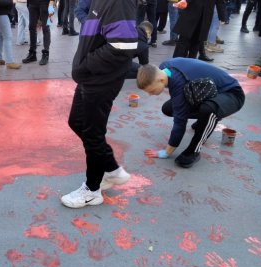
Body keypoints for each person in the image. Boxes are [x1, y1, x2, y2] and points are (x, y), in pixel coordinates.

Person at [60, 0, 137, 209]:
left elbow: (124, 46)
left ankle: (92, 190)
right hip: (90, 76)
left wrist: (86, 65)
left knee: (93, 135)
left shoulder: (118, 3)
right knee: (76, 122)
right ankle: (112, 169)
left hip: (101, 79)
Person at [137, 58, 245, 168]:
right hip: (209, 89)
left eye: (151, 91)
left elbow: (180, 123)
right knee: (169, 108)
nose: (150, 94)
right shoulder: (164, 68)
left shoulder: (179, 84)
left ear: (160, 80)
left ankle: (194, 151)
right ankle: (205, 119)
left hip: (232, 94)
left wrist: (166, 152)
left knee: (208, 110)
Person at [21, 0, 55, 65]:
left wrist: (51, 4)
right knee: (31, 27)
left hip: (45, 3)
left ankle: (46, 53)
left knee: (45, 28)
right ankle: (32, 53)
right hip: (32, 3)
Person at [0, 0, 21, 69]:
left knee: (1, 36)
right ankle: (9, 62)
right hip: (0, 14)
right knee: (7, 37)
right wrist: (11, 1)